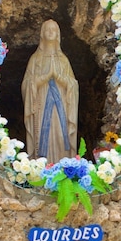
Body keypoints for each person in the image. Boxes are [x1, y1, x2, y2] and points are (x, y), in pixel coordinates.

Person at [22, 20, 78, 162]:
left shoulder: (63, 60)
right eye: (47, 29)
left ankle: (64, 167)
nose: (51, 32)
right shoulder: (35, 60)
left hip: (62, 107)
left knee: (60, 135)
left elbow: (73, 85)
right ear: (42, 33)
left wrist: (58, 77)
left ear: (58, 34)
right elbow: (26, 84)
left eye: (54, 29)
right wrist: (44, 77)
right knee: (42, 136)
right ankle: (41, 168)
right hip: (41, 106)